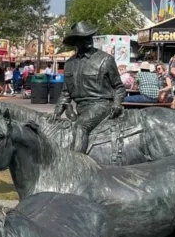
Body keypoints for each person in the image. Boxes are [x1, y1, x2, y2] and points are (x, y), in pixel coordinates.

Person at [53, 21, 125, 152]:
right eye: (83, 38)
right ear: (76, 42)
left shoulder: (105, 59)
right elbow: (65, 93)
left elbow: (119, 87)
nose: (88, 40)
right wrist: (56, 113)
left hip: (101, 105)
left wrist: (117, 103)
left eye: (89, 36)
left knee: (80, 127)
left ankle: (78, 162)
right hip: (81, 108)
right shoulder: (69, 64)